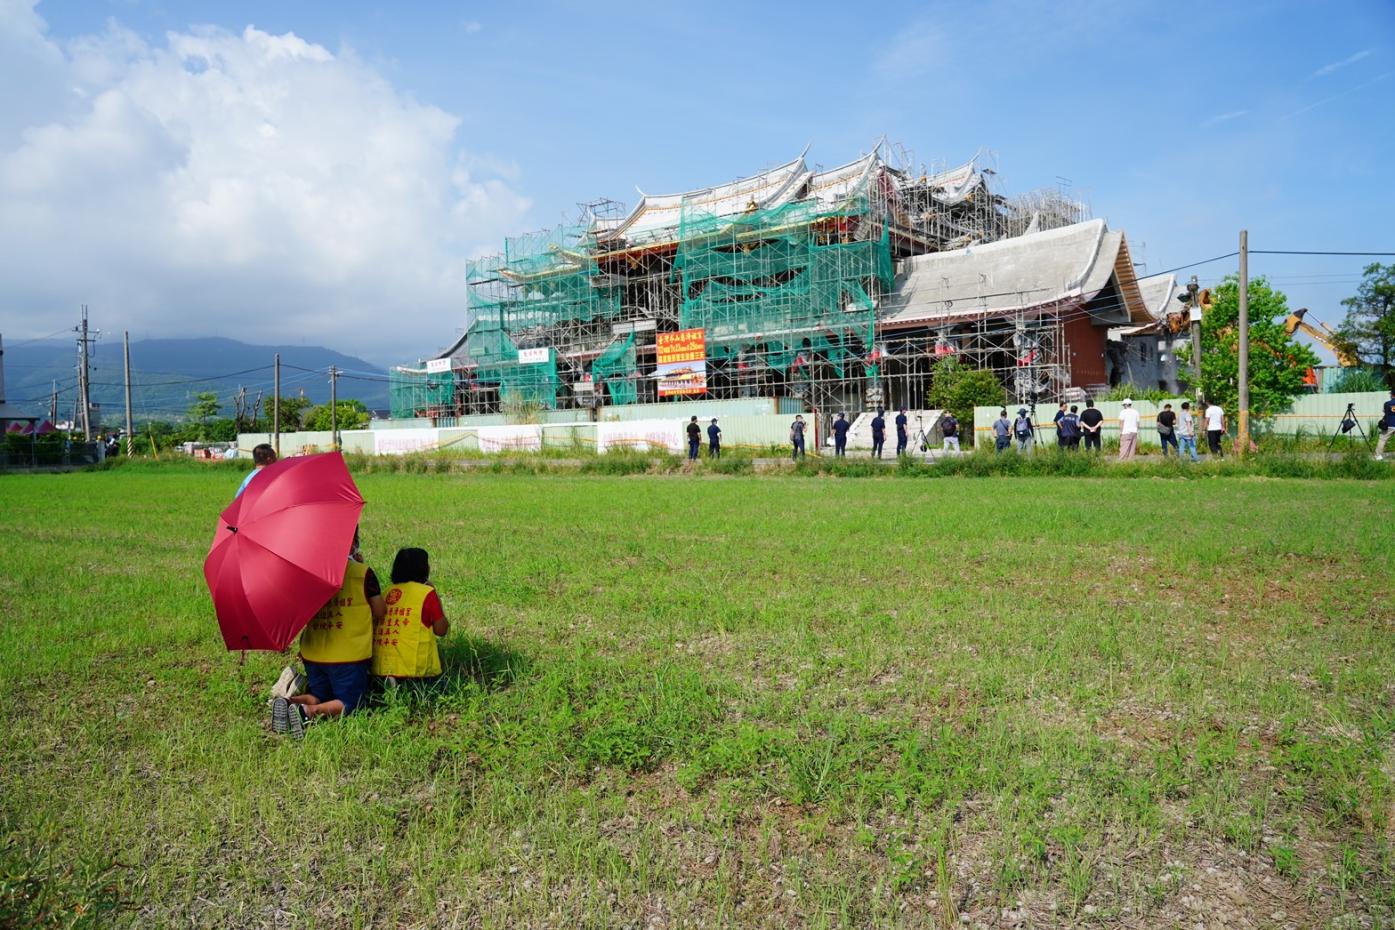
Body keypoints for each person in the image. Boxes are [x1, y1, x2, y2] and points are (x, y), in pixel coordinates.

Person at [275, 530, 387, 737]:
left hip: (313, 654)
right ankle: (308, 712)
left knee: (321, 694)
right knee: (351, 703)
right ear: (352, 543)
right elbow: (379, 610)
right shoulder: (362, 573)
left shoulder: (308, 574)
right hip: (348, 656)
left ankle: (288, 702)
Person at [372, 547, 449, 687]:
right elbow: (441, 630)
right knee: (442, 685)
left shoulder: (387, 592)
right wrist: (435, 594)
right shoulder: (426, 593)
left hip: (378, 668)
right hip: (413, 670)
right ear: (423, 568)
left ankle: (390, 682)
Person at [1376, 388, 1395, 461]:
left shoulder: (1387, 403)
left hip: (1389, 425)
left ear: (1392, 395)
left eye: (1390, 394)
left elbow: (1385, 412)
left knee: (1382, 439)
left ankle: (1378, 456)